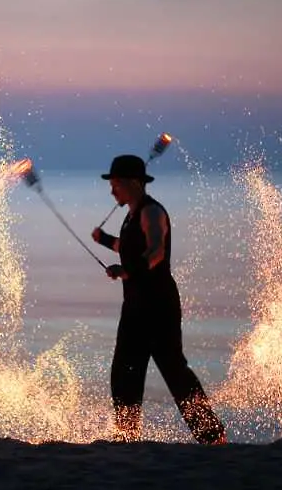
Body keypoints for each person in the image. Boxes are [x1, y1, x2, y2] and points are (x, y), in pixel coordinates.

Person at [91, 154, 226, 445]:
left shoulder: (152, 213)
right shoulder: (130, 215)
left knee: (175, 372)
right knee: (124, 373)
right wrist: (104, 240)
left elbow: (155, 253)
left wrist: (126, 272)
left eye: (115, 184)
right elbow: (127, 246)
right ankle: (127, 437)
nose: (112, 190)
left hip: (158, 305)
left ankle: (213, 437)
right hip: (135, 307)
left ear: (132, 183)